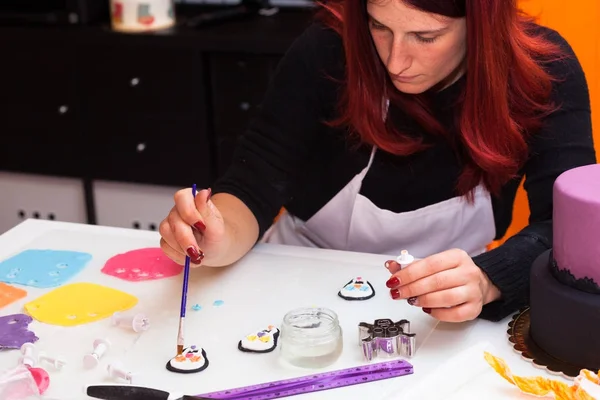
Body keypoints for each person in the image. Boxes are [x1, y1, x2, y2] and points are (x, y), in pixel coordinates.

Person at [159, 0, 596, 323]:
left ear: (482, 21)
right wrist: (216, 236)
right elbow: (252, 183)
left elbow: (571, 227)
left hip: (448, 302)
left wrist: (488, 279)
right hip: (296, 279)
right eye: (378, 25)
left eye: (426, 37)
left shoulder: (543, 71)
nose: (395, 60)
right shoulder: (328, 48)